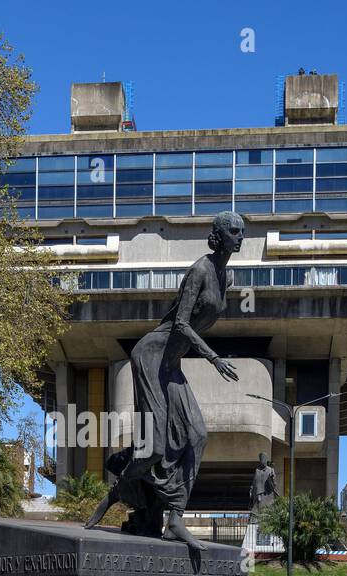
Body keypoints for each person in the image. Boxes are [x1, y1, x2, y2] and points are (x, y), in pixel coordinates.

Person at [86, 211, 243, 550]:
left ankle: (175, 518)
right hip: (150, 357)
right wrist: (214, 358)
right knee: (156, 446)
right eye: (233, 230)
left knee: (198, 436)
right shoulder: (200, 270)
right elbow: (181, 325)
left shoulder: (225, 276)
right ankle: (115, 493)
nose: (240, 235)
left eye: (242, 230)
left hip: (171, 366)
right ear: (218, 236)